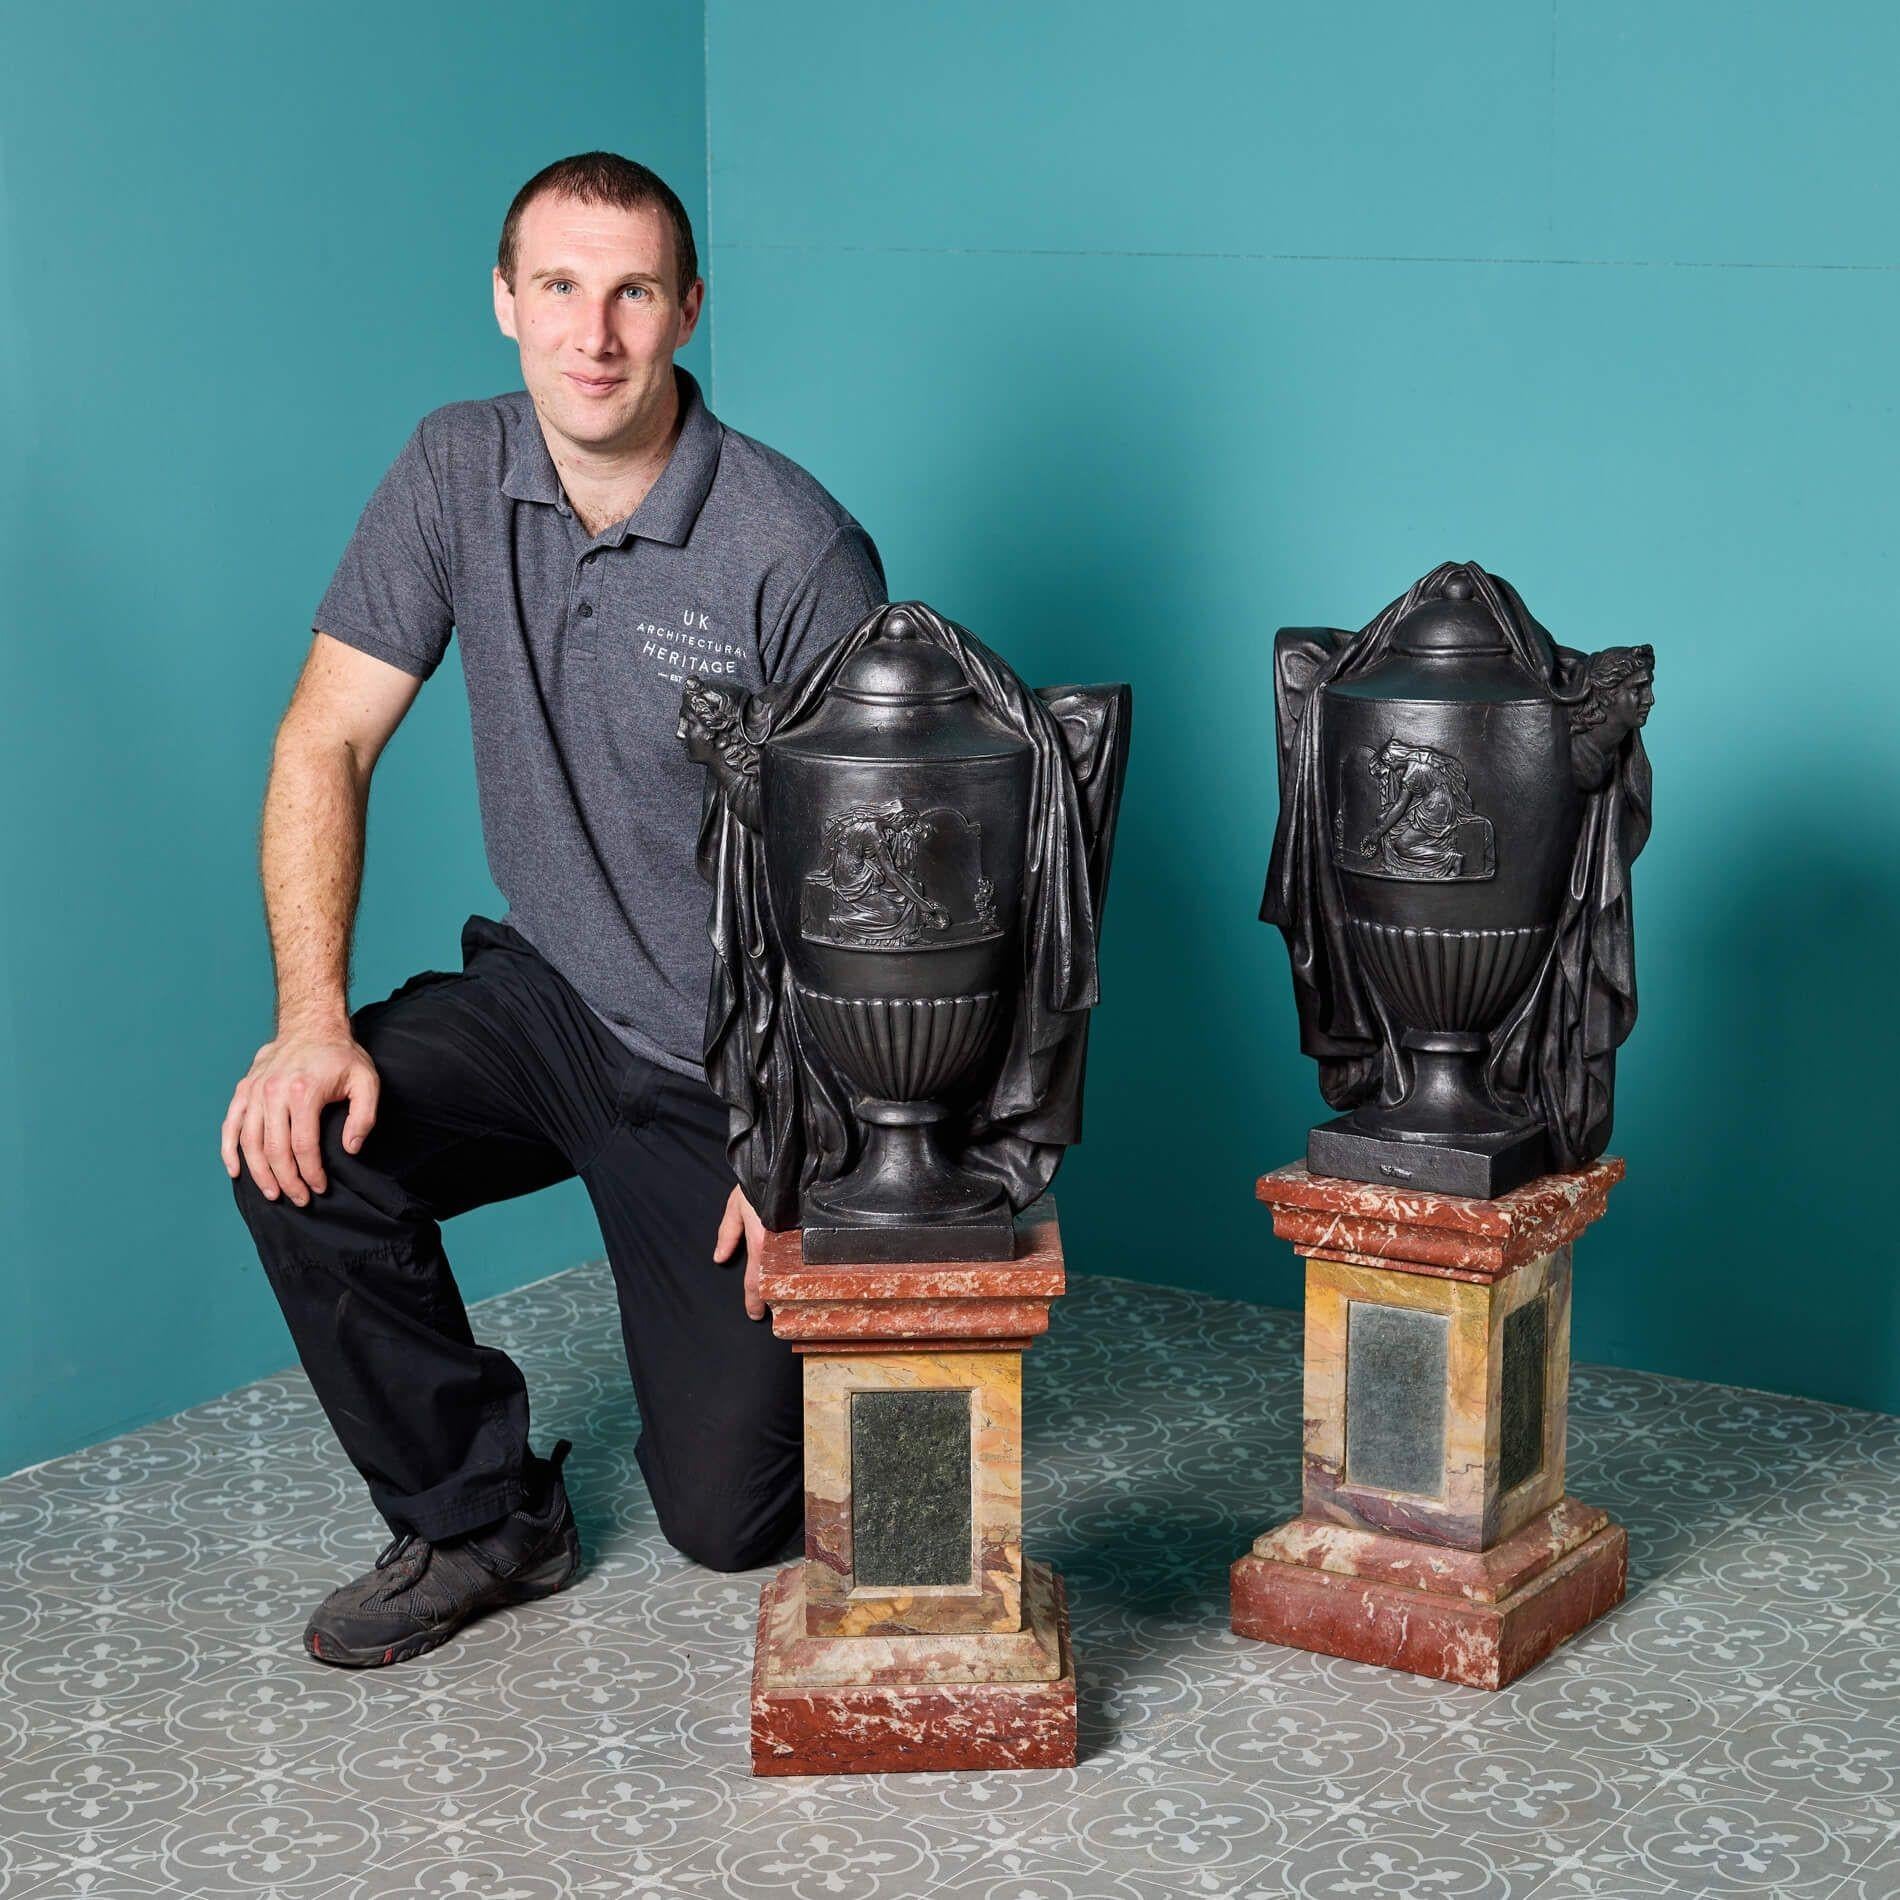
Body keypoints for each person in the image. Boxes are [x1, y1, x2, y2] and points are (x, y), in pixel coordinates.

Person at [221, 152, 885, 1668]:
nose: (595, 334)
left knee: (733, 1521)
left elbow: (880, 886)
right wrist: (311, 1025)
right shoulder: (458, 466)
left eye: (633, 292)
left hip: (733, 1068)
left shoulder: (794, 550)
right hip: (552, 1002)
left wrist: (807, 1136)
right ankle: (481, 1515)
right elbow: (325, 735)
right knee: (294, 1141)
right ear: (507, 303)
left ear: (687, 311)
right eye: (563, 289)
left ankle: (861, 1284)